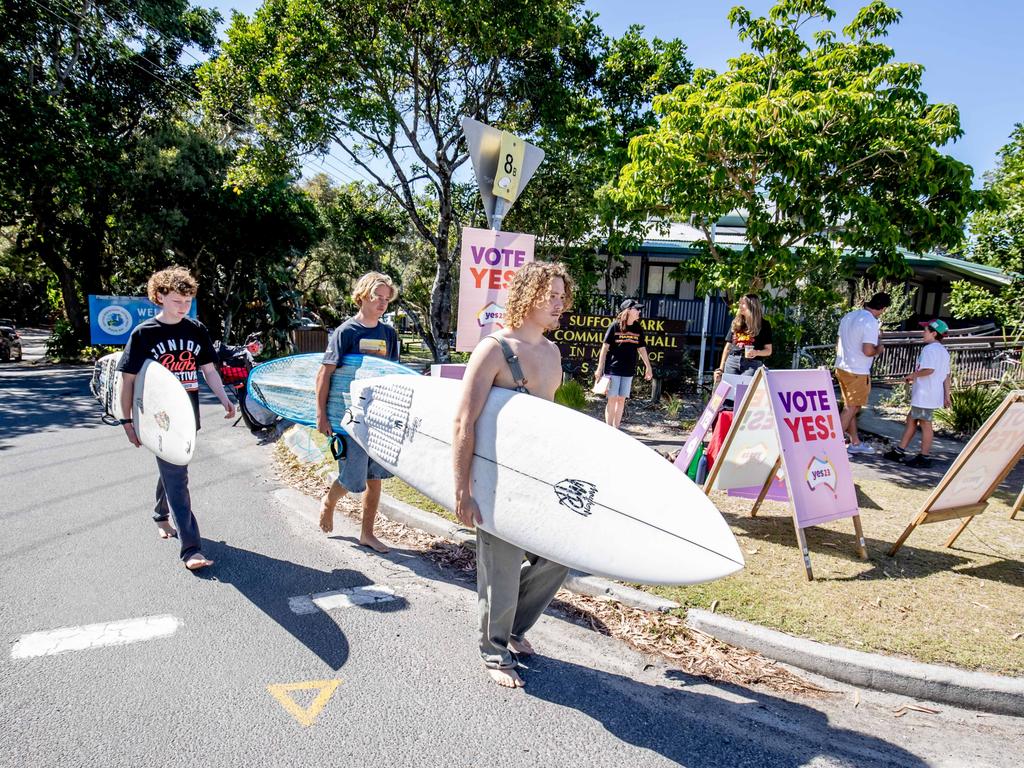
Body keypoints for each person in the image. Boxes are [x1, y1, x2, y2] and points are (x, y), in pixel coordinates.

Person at [453, 261, 574, 688]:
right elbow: (464, 423)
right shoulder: (493, 350)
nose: (561, 303)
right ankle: (494, 650)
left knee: (560, 556)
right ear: (528, 296)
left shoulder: (552, 351)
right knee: (501, 566)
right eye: (552, 296)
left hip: (539, 477)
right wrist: (462, 489)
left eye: (563, 295)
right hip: (497, 477)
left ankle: (513, 628)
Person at [117, 266, 236, 571]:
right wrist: (127, 421)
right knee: (178, 478)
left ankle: (160, 514)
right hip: (158, 419)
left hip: (187, 416)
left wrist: (225, 400)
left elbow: (209, 370)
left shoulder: (196, 330)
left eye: (187, 302)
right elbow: (128, 379)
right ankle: (191, 549)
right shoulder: (144, 333)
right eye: (176, 301)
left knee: (174, 466)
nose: (183, 308)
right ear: (159, 297)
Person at [316, 272, 400, 553]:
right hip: (349, 415)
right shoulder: (346, 332)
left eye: (387, 299)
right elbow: (324, 374)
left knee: (374, 478)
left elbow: (394, 375)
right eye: (378, 296)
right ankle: (329, 502)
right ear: (363, 295)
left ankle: (367, 533)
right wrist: (321, 415)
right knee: (354, 479)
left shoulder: (389, 334)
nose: (383, 303)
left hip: (379, 416)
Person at [884, 319, 952, 468]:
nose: (923, 333)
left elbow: (929, 370)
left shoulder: (929, 350)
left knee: (925, 424)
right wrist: (947, 395)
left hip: (925, 394)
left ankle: (924, 457)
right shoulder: (943, 351)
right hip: (930, 394)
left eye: (926, 330)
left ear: (934, 333)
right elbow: (947, 375)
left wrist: (912, 375)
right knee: (911, 419)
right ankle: (900, 450)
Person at [835, 292, 891, 455]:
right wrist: (879, 349)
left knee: (850, 407)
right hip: (858, 370)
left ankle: (855, 442)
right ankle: (833, 445)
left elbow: (838, 342)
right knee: (852, 408)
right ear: (883, 309)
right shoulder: (871, 322)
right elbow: (868, 350)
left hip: (842, 366)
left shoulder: (849, 316)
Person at [593, 299, 654, 428]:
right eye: (636, 309)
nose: (639, 311)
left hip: (628, 370)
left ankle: (617, 429)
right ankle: (608, 429)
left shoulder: (638, 328)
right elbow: (604, 348)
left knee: (621, 400)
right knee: (612, 399)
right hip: (613, 369)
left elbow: (642, 349)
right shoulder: (615, 326)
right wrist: (599, 368)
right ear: (628, 310)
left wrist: (648, 367)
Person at [713, 293, 773, 383]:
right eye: (740, 303)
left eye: (743, 303)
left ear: (752, 306)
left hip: (752, 364)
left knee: (744, 393)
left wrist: (756, 352)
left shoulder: (764, 325)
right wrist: (721, 368)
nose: (740, 306)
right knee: (729, 394)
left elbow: (768, 351)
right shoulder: (736, 322)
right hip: (732, 361)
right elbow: (728, 347)